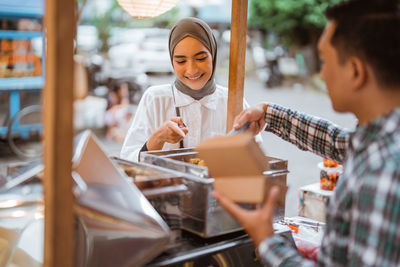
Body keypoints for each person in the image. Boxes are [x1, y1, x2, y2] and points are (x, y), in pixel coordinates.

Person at [213, 0, 400, 266]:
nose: (321, 74)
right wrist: (271, 114)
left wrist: (266, 240)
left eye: (324, 61)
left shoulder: (381, 172)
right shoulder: (380, 141)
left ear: (356, 71)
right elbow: (338, 142)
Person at [121, 18, 261, 161]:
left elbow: (256, 163)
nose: (191, 70)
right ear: (171, 60)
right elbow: (128, 160)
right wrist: (158, 138)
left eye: (200, 58)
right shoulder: (155, 98)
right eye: (181, 61)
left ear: (213, 55)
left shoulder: (233, 103)